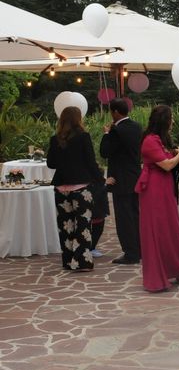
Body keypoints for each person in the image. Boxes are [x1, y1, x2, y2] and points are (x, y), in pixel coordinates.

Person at [135, 105, 179, 292]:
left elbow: (171, 163)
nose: (173, 122)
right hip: (154, 190)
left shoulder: (158, 140)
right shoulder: (149, 141)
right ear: (165, 121)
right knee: (157, 230)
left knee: (170, 228)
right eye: (171, 119)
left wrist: (178, 159)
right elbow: (166, 165)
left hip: (164, 188)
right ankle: (157, 277)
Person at [47, 106, 104, 272]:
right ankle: (82, 262)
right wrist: (100, 180)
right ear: (78, 119)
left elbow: (51, 163)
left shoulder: (55, 139)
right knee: (83, 225)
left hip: (61, 187)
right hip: (81, 187)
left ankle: (68, 260)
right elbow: (90, 162)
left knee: (66, 225)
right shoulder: (83, 137)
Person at [99, 98, 143, 265]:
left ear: (116, 112)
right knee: (135, 214)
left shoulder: (116, 130)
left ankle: (131, 253)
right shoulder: (137, 127)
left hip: (121, 179)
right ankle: (140, 249)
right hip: (135, 175)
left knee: (124, 218)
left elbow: (105, 152)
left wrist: (106, 134)